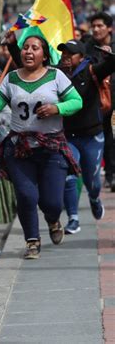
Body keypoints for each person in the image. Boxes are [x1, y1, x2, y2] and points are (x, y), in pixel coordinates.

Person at [0, 36, 83, 259]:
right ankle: (32, 241)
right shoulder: (11, 79)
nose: (28, 52)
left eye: (35, 48)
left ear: (44, 56)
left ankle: (53, 219)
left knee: (52, 202)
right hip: (20, 148)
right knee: (26, 196)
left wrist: (57, 108)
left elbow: (77, 101)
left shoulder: (56, 76)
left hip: (51, 147)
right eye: (25, 47)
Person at [57, 39, 115, 233]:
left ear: (81, 57)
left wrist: (109, 55)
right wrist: (14, 47)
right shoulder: (56, 74)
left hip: (92, 136)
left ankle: (94, 198)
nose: (65, 58)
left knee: (93, 181)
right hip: (68, 136)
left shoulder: (92, 71)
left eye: (69, 54)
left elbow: (111, 65)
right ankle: (73, 218)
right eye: (63, 54)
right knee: (68, 174)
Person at [85, 12, 115, 191]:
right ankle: (109, 176)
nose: (96, 29)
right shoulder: (87, 48)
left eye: (100, 26)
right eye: (93, 26)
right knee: (106, 138)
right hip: (99, 102)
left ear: (109, 28)